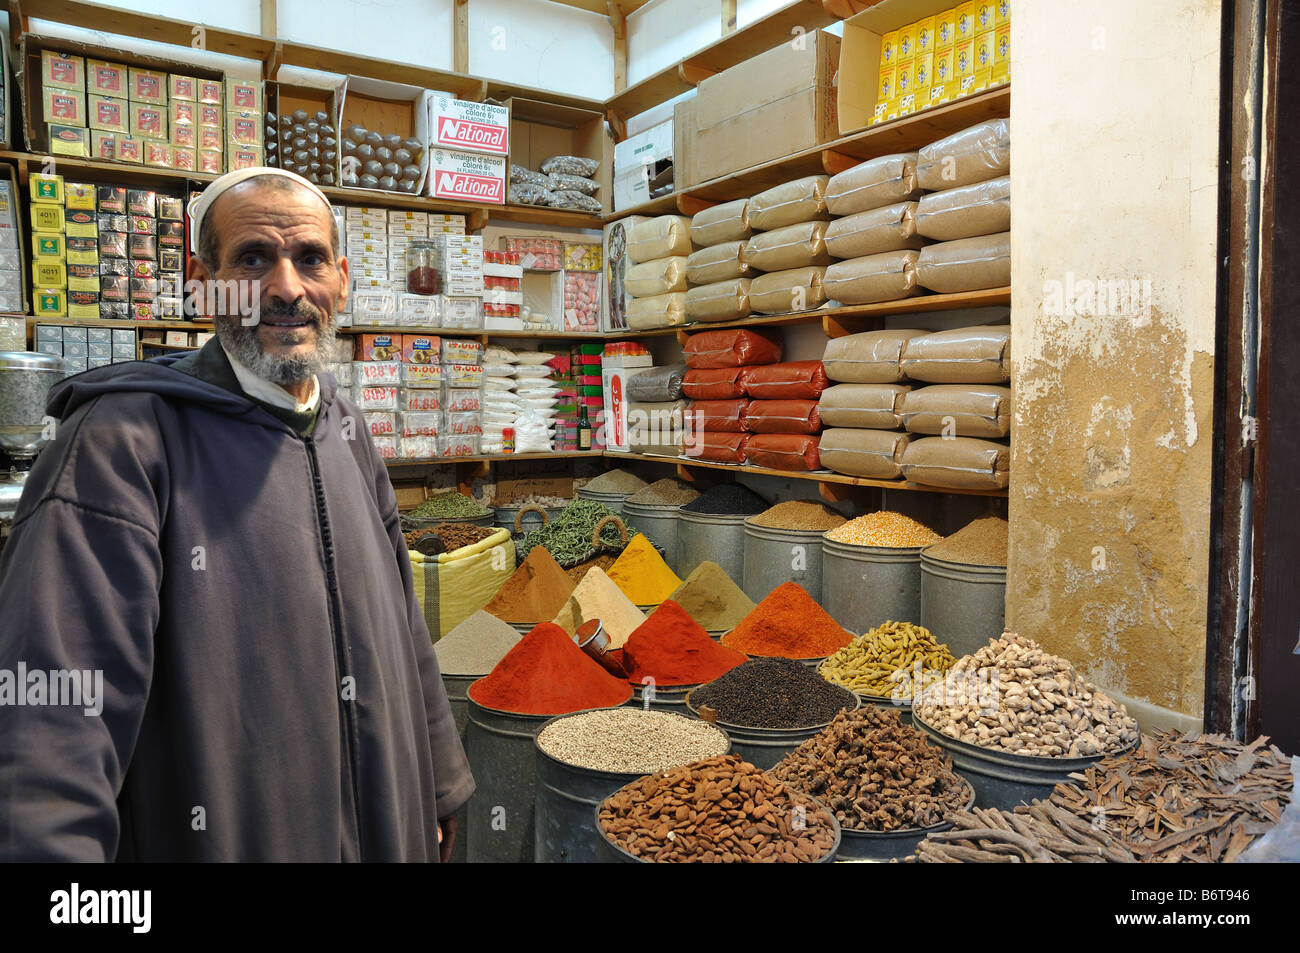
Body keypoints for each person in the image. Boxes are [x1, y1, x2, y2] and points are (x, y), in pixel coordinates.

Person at [0, 168, 473, 861]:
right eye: (253, 258)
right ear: (202, 281)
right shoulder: (119, 440)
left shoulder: (345, 424)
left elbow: (403, 624)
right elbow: (53, 717)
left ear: (341, 279)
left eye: (309, 258)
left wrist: (438, 783)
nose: (286, 287)